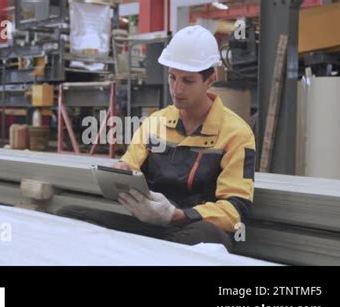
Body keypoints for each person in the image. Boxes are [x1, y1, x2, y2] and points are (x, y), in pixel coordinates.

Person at [57, 25, 256, 251]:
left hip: (194, 229)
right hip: (151, 228)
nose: (177, 89)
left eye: (188, 81)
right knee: (69, 215)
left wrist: (176, 215)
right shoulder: (154, 123)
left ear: (210, 79)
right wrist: (121, 171)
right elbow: (130, 164)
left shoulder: (236, 134)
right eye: (172, 77)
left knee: (209, 236)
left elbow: (235, 211)